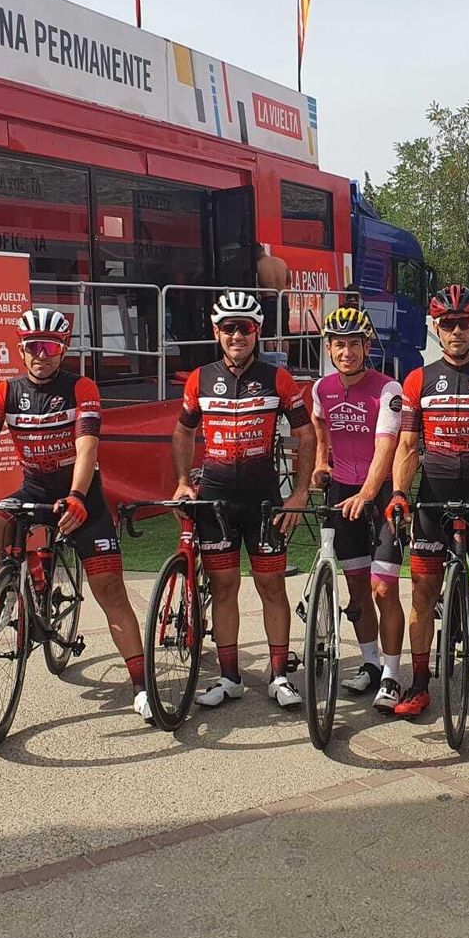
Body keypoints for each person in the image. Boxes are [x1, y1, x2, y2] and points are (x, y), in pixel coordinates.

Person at [0, 308, 152, 721]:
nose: (41, 354)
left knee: (110, 590)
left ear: (63, 350)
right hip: (34, 490)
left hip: (80, 495)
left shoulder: (80, 387)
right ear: (20, 350)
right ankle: (20, 584)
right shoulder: (5, 392)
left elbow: (87, 445)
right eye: (33, 346)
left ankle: (141, 685)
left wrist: (77, 495)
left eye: (50, 347)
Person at [171, 290, 316, 710]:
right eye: (228, 328)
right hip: (216, 499)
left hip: (263, 501)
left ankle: (280, 675)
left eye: (245, 328)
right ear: (216, 332)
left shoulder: (277, 379)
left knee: (271, 585)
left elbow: (306, 433)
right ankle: (229, 677)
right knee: (223, 587)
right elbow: (183, 431)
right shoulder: (200, 378)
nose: (237, 335)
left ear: (258, 332)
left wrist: (300, 492)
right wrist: (183, 481)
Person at [385, 285, 469, 720]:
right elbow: (408, 446)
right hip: (434, 497)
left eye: (465, 322)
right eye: (448, 323)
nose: (457, 331)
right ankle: (419, 684)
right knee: (422, 595)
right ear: (437, 327)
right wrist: (399, 494)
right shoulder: (417, 380)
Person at [309, 305, 408, 713]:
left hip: (380, 493)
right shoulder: (321, 388)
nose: (346, 352)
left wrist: (367, 493)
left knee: (384, 587)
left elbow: (386, 446)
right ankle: (370, 663)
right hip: (342, 492)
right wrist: (321, 461)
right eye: (339, 344)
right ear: (329, 348)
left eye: (354, 344)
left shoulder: (388, 389)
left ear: (367, 347)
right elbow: (319, 424)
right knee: (356, 586)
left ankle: (392, 674)